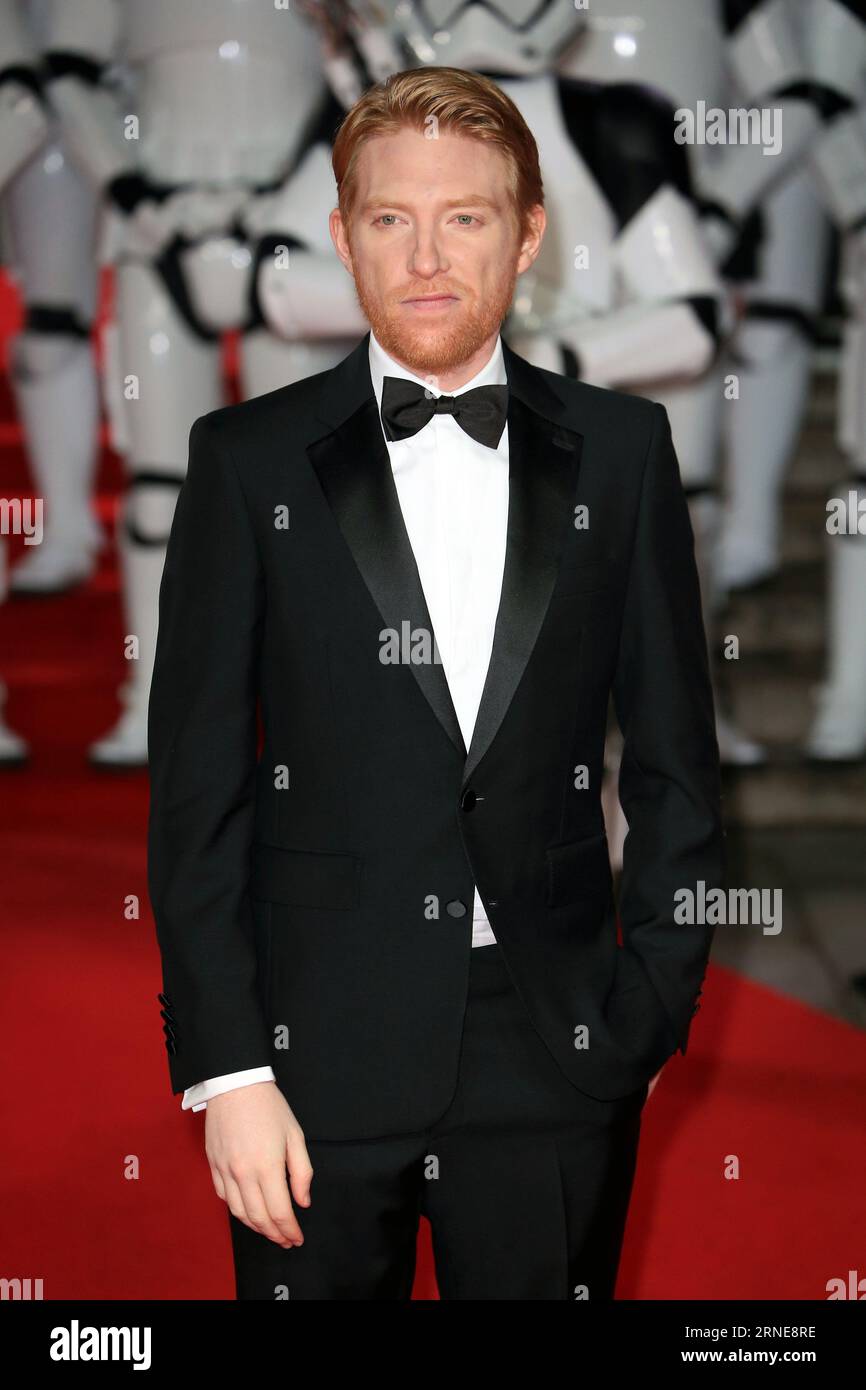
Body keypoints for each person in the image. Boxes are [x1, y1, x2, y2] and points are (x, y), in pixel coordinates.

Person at [147, 66, 725, 1301]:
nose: (424, 255)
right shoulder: (244, 462)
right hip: (310, 1050)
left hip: (555, 1045)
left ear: (524, 236)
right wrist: (230, 1070)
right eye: (388, 219)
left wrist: (650, 1006)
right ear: (343, 236)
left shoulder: (622, 453)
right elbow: (196, 791)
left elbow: (677, 757)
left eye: (463, 216)